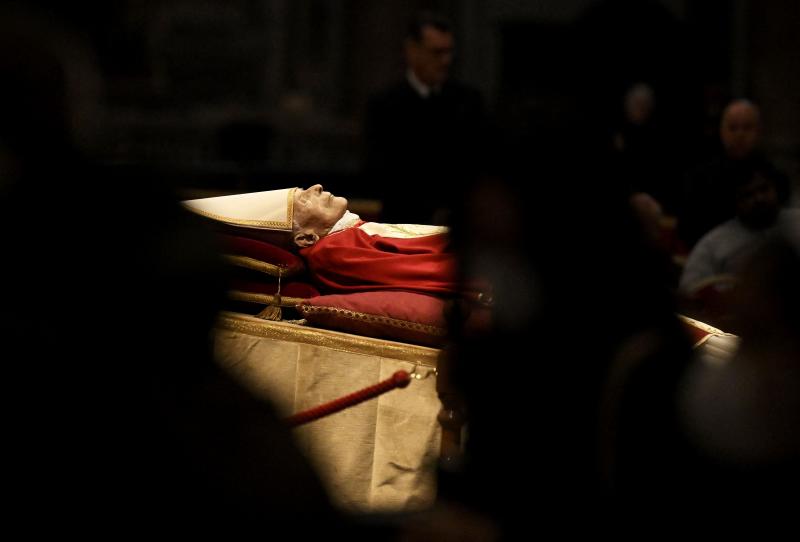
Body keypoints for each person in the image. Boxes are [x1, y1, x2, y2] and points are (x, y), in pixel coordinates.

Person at [184, 184, 464, 296]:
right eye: (304, 198)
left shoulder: (348, 233)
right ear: (307, 237)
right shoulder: (334, 252)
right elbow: (423, 272)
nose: (316, 186)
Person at [363, 10, 489, 225]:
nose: (445, 61)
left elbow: (479, 166)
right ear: (412, 51)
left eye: (449, 52)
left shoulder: (469, 102)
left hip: (457, 226)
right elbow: (378, 172)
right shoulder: (384, 105)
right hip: (403, 224)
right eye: (437, 52)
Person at [679, 99, 792, 248]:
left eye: (747, 128)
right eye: (733, 128)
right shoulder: (699, 179)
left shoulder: (776, 179)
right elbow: (688, 230)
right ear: (721, 131)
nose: (740, 135)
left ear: (759, 131)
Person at [679, 166, 800, 294]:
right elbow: (690, 288)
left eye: (764, 189)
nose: (759, 198)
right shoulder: (714, 243)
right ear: (735, 202)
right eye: (748, 195)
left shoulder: (797, 221)